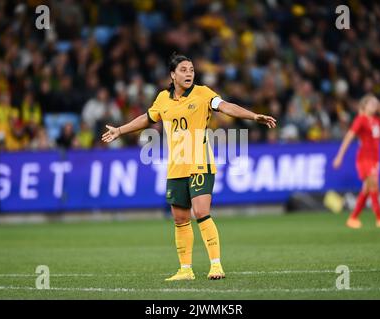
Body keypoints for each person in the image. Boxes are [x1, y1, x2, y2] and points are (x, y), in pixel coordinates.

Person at [102, 53, 276, 281]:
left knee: (201, 212)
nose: (189, 74)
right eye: (184, 70)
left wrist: (253, 116)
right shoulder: (163, 98)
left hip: (199, 161)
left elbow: (226, 106)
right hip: (176, 166)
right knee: (180, 219)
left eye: (192, 70)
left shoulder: (203, 94)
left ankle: (216, 265)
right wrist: (120, 130)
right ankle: (186, 270)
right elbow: (147, 118)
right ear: (172, 75)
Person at [333, 94, 380, 229]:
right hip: (364, 158)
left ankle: (353, 218)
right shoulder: (360, 120)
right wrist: (340, 156)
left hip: (375, 159)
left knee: (367, 189)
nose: (375, 106)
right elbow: (349, 137)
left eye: (376, 104)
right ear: (364, 105)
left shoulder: (376, 121)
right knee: (374, 184)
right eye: (372, 104)